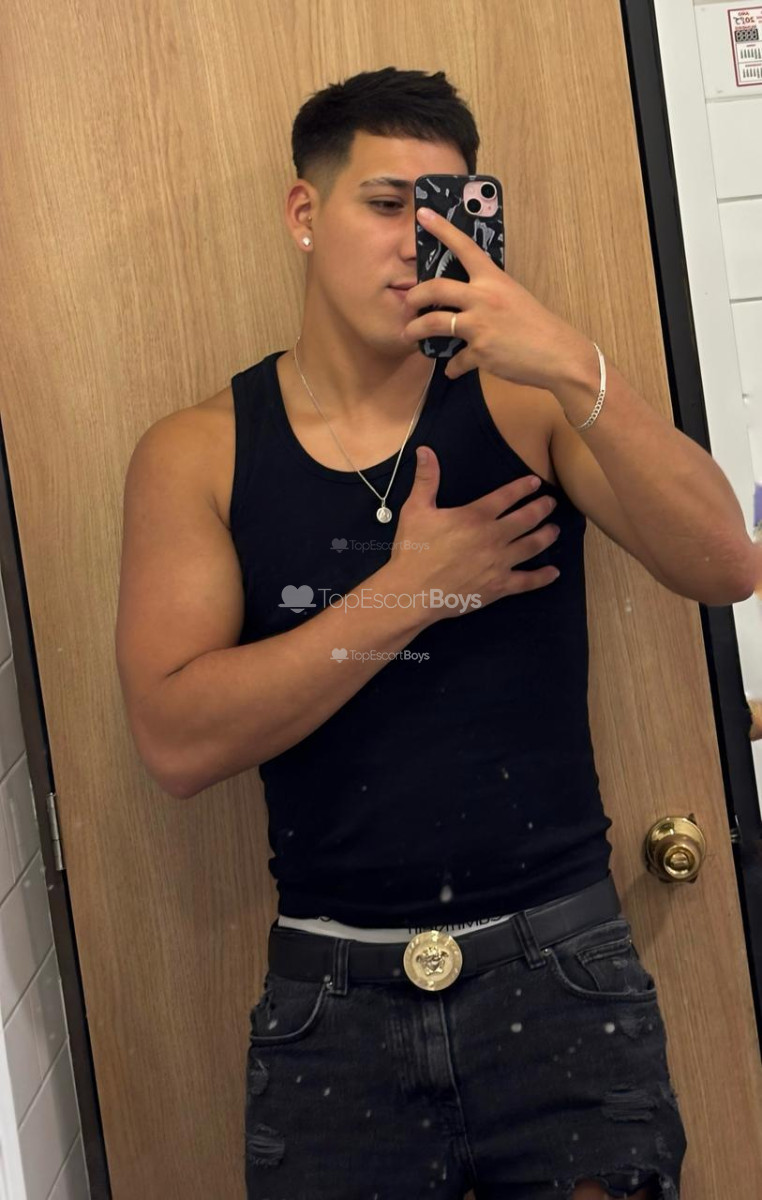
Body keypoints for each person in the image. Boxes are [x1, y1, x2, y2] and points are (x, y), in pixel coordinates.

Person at [117, 63, 751, 1199]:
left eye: (447, 208)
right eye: (384, 203)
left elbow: (724, 565)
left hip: (561, 979)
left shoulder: (528, 402)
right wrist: (411, 590)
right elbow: (176, 741)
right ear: (304, 212)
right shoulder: (199, 452)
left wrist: (573, 362)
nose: (419, 240)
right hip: (332, 1006)